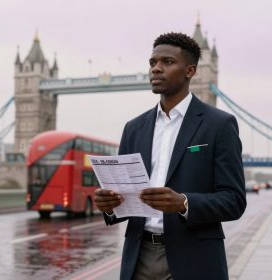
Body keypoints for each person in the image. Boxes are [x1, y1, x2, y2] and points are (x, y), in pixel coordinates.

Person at [94, 32, 246, 280]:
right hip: (138, 257)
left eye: (167, 62)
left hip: (195, 259)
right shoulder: (133, 128)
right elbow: (121, 201)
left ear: (190, 71)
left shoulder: (219, 125)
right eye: (153, 63)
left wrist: (183, 203)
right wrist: (109, 206)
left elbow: (234, 200)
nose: (156, 69)